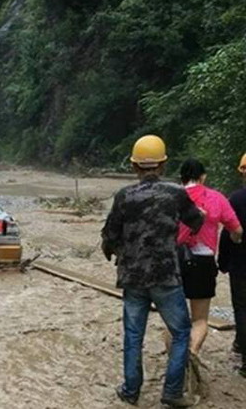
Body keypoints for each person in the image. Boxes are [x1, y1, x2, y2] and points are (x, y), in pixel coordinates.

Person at [102, 135, 204, 407]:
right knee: (181, 333)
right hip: (166, 276)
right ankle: (171, 392)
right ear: (163, 165)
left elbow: (110, 235)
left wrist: (112, 249)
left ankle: (131, 391)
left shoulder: (124, 196)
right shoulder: (176, 194)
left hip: (132, 277)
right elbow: (196, 221)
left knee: (134, 335)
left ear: (134, 167)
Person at [176, 159, 242, 357]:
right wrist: (235, 241)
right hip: (203, 262)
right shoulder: (217, 198)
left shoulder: (171, 197)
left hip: (174, 262)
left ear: (181, 177)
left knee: (176, 321)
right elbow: (237, 230)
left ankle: (177, 360)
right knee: (200, 320)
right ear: (203, 176)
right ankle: (193, 352)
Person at [219, 153, 246, 377]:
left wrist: (223, 261)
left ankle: (244, 355)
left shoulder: (236, 199)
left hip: (241, 265)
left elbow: (228, 233)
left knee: (242, 309)